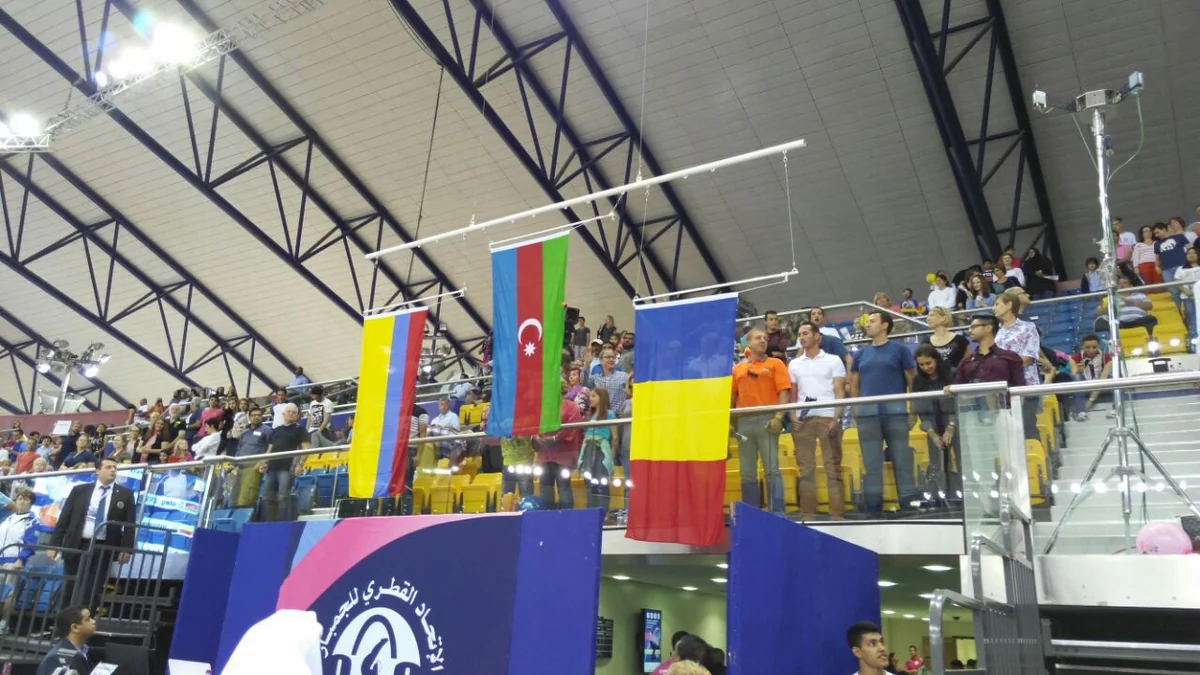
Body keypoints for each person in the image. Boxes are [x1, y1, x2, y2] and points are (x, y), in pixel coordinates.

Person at [47, 458, 136, 611]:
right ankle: (64, 622)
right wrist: (54, 544)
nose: (113, 470)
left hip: (104, 547)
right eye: (108, 467)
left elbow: (129, 524)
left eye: (115, 467)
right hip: (77, 544)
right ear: (97, 470)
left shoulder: (125, 494)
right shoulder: (80, 490)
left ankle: (86, 621)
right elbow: (64, 519)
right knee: (70, 586)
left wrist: (126, 549)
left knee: (92, 588)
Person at [850, 312, 917, 515]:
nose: (867, 325)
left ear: (885, 325)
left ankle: (908, 502)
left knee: (902, 459)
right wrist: (856, 411)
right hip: (868, 415)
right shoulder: (861, 354)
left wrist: (912, 410)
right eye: (867, 322)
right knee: (871, 462)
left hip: (895, 412)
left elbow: (912, 381)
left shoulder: (899, 350)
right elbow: (854, 385)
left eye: (872, 321)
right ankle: (874, 506)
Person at [788, 321, 846, 518]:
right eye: (799, 334)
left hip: (827, 417)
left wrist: (836, 418)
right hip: (803, 420)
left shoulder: (833, 360)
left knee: (833, 469)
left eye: (805, 333)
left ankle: (837, 515)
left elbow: (840, 391)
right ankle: (808, 515)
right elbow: (793, 393)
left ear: (817, 336)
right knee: (805, 470)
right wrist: (792, 416)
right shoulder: (794, 364)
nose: (801, 337)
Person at [731, 328, 791, 513]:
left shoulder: (776, 364)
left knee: (772, 470)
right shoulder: (737, 369)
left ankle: (777, 512)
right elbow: (732, 396)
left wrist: (778, 417)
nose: (763, 340)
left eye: (765, 338)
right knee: (747, 471)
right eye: (758, 338)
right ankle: (751, 513)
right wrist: (730, 422)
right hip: (744, 422)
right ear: (747, 343)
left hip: (767, 420)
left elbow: (784, 391)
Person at [912, 345, 959, 501]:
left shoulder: (952, 374)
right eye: (921, 364)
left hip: (956, 424)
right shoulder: (918, 381)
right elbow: (920, 409)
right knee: (937, 465)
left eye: (929, 363)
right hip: (933, 426)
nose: (926, 368)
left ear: (936, 360)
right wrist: (932, 434)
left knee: (961, 462)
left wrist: (951, 427)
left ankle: (961, 496)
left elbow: (959, 403)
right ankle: (942, 498)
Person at [258, 403, 309, 522]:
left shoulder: (300, 430)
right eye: (289, 411)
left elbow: (306, 448)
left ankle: (283, 523)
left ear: (297, 416)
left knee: (283, 497)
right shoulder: (276, 430)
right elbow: (270, 449)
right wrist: (264, 462)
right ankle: (269, 523)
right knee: (267, 497)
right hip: (272, 468)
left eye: (294, 412)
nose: (291, 414)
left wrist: (300, 464)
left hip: (287, 468)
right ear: (283, 414)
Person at [0, 488, 39, 635]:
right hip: (0, 559)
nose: (22, 502)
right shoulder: (8, 518)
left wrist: (20, 560)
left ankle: (4, 623)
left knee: (9, 593)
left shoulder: (32, 520)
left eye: (26, 499)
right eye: (20, 498)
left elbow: (30, 543)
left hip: (14, 561)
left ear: (31, 503)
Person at [36, 605, 97, 675]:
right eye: (88, 619)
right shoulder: (55, 658)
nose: (94, 621)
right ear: (75, 627)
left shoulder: (85, 650)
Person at [1069, 334, 1113, 420]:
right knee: (1077, 377)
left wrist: (1090, 400)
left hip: (1102, 386)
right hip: (1084, 388)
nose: (1091, 350)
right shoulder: (1074, 358)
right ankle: (1081, 412)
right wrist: (1079, 370)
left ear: (1098, 346)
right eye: (1087, 347)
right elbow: (1074, 376)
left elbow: (1103, 379)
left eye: (1094, 347)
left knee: (1113, 376)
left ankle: (1116, 409)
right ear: (1083, 347)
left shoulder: (1106, 357)